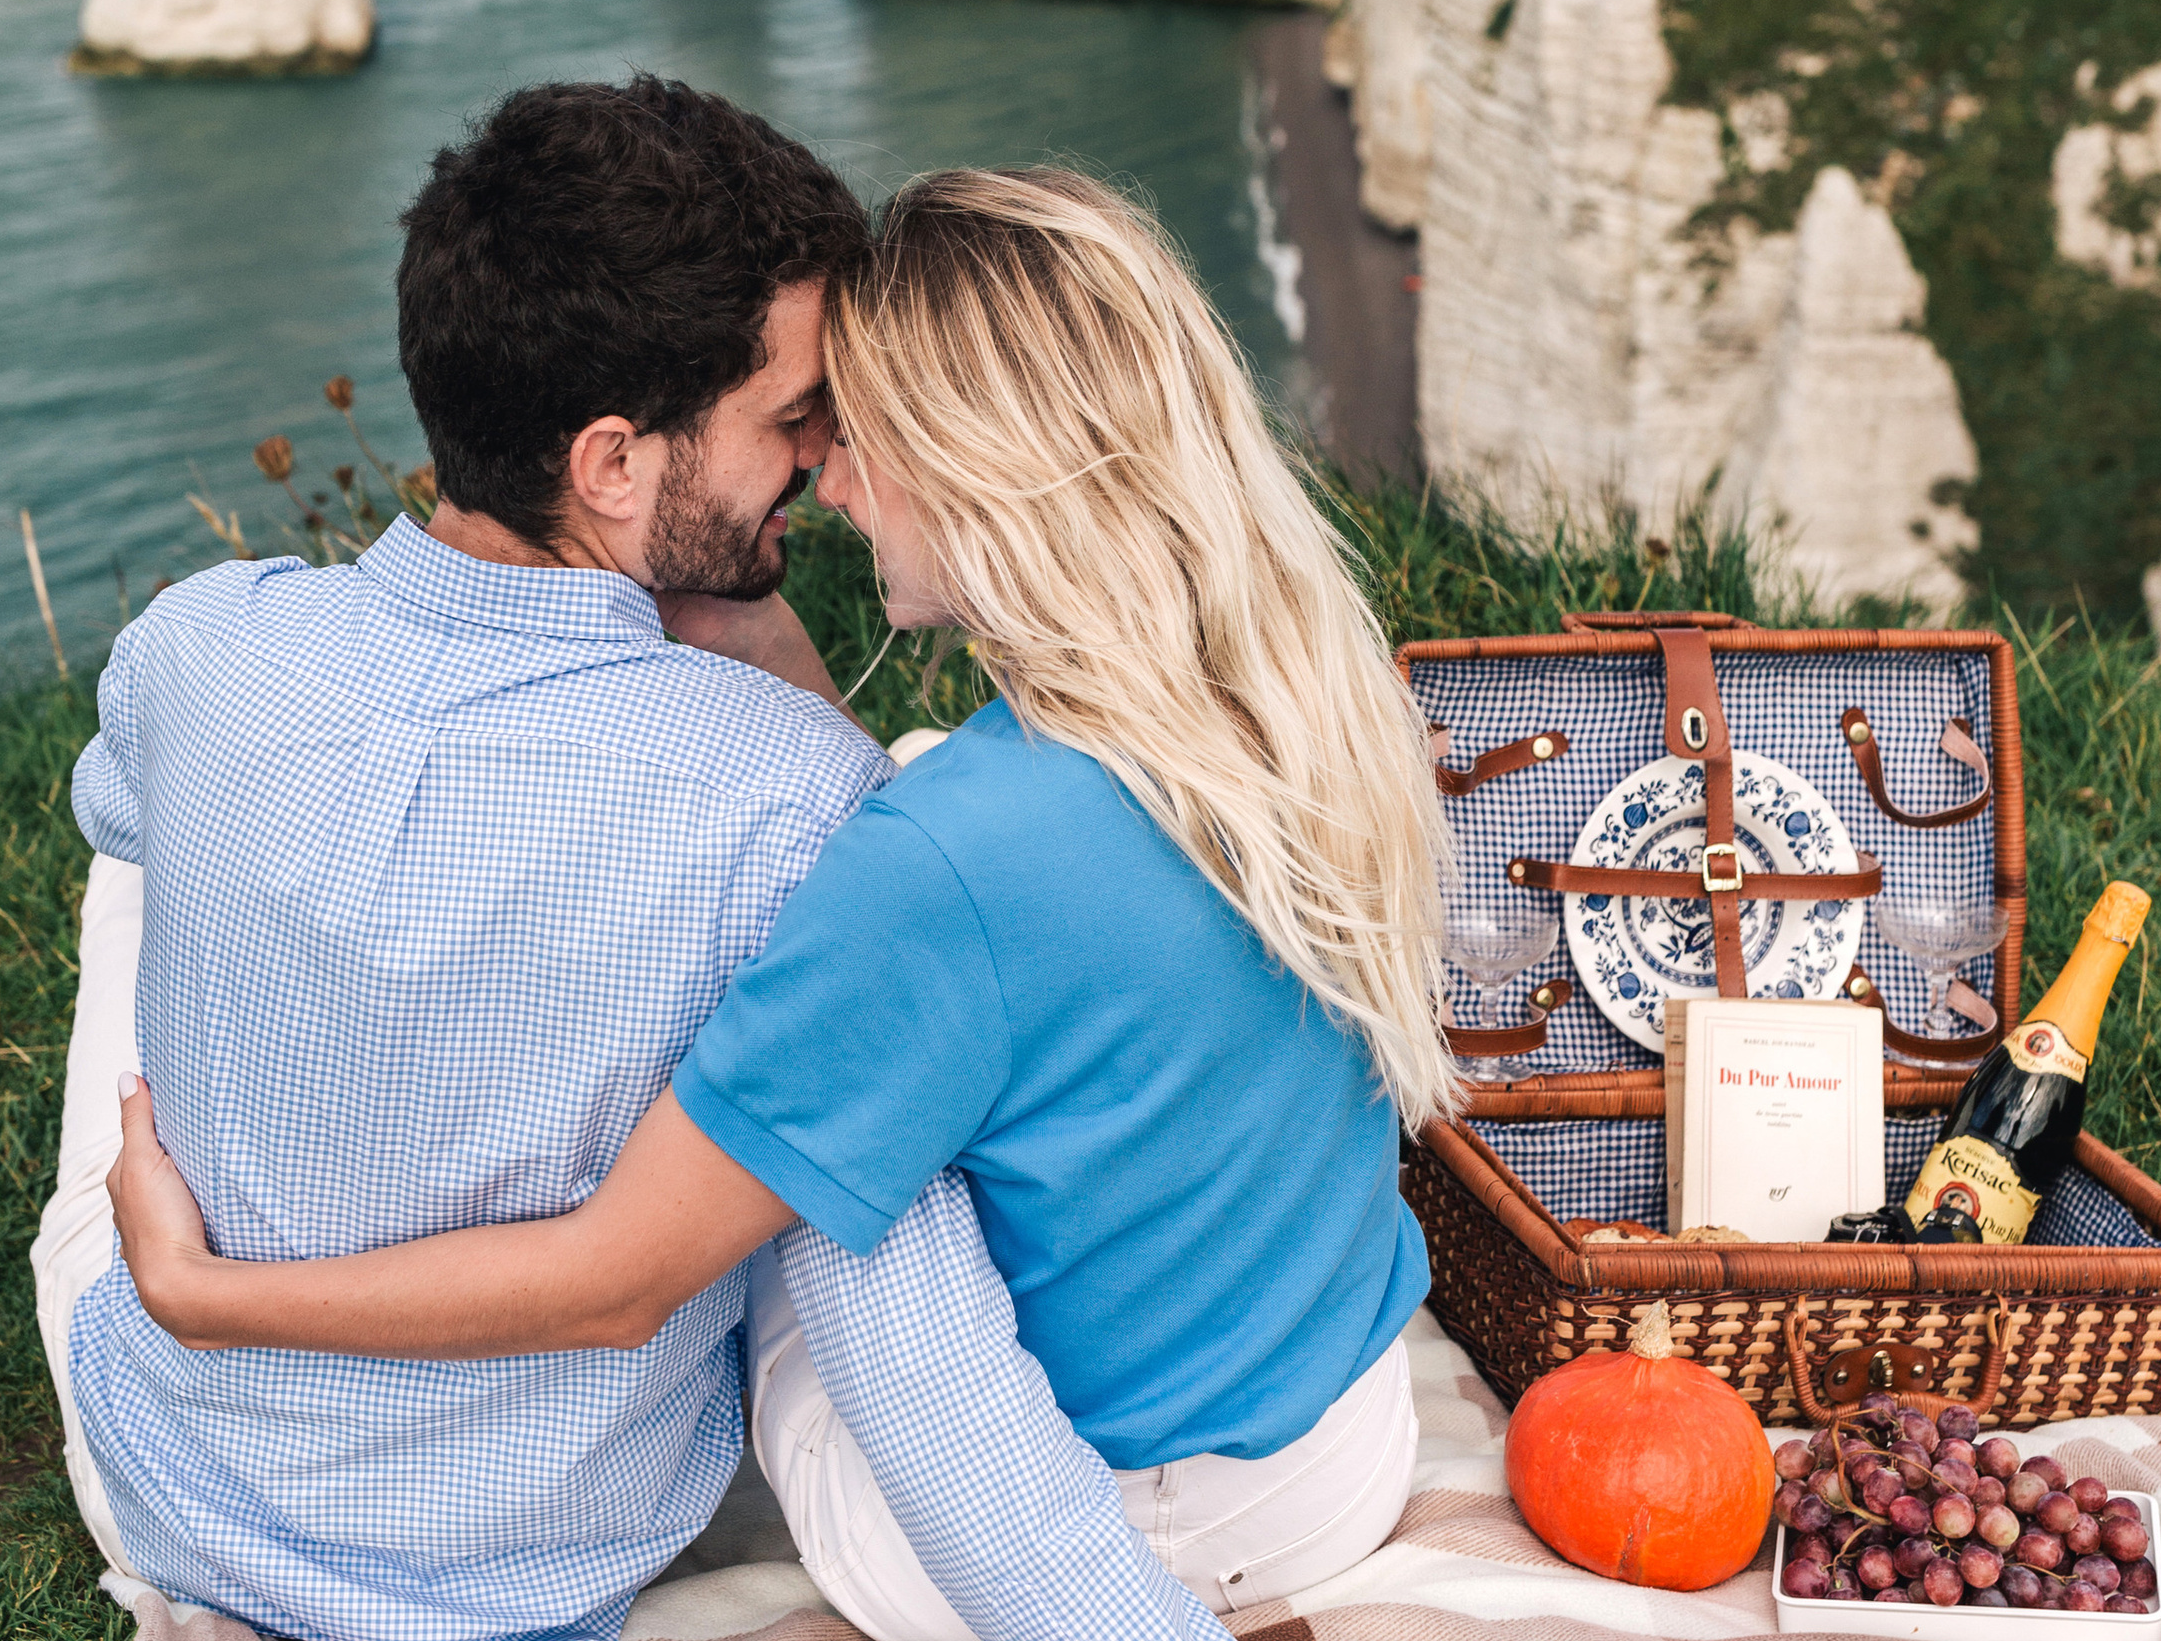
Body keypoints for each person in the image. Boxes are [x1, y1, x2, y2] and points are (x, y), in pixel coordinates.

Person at [107, 165, 1463, 1641]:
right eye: (795, 420)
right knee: (847, 1045)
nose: (824, 473)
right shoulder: (1295, 683)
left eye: (851, 429)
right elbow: (921, 892)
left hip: (1099, 1537)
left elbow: (641, 1273)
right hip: (1339, 1445)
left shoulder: (196, 646)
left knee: (842, 1147)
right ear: (614, 464)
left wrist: (204, 1291)